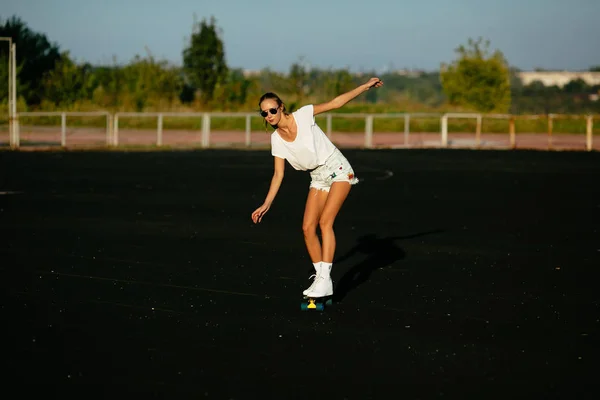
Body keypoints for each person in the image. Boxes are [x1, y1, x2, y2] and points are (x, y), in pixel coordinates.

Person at [251, 77, 384, 298]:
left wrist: (364, 87)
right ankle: (322, 279)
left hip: (338, 168)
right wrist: (266, 203)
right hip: (318, 177)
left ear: (281, 107)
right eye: (264, 113)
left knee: (325, 222)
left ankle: (324, 280)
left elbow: (335, 103)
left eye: (272, 110)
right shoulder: (276, 139)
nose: (269, 116)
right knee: (307, 228)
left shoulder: (303, 115)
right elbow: (278, 174)